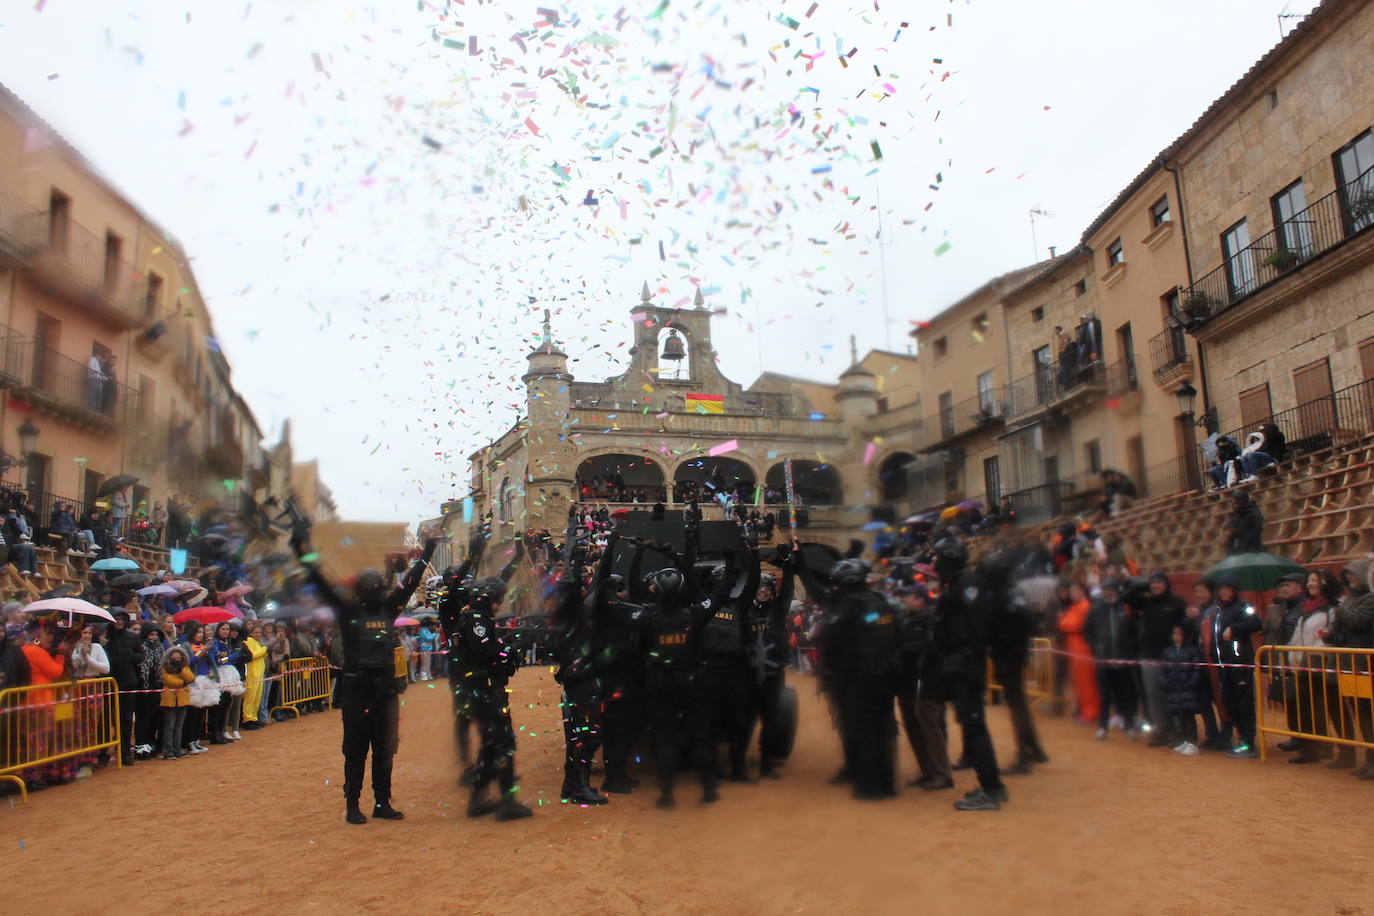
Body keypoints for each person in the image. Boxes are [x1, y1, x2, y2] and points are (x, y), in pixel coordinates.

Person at [293, 524, 436, 825]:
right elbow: (319, 580)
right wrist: (300, 546)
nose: (374, 588)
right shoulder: (348, 612)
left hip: (384, 690)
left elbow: (411, 582)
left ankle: (382, 801)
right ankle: (352, 804)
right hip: (357, 689)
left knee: (385, 749)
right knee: (355, 751)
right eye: (369, 584)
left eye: (376, 584)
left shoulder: (388, 609)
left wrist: (429, 551)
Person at [931, 537, 1006, 811]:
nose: (934, 564)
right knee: (972, 725)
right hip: (961, 663)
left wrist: (969, 662)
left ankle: (991, 789)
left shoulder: (967, 584)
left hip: (967, 664)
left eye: (938, 558)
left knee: (975, 727)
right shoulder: (956, 585)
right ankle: (992, 785)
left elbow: (975, 627)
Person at [452, 574, 532, 821]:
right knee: (504, 744)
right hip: (484, 691)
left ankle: (477, 800)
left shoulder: (475, 618)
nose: (499, 605)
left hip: (480, 691)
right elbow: (485, 652)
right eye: (498, 600)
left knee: (489, 747)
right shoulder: (476, 620)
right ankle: (508, 803)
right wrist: (510, 649)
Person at [893, 582, 952, 790]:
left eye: (907, 596)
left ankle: (941, 774)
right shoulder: (905, 617)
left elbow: (921, 649)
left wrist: (901, 652)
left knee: (930, 729)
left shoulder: (930, 618)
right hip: (907, 682)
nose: (903, 599)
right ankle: (927, 771)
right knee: (914, 728)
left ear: (919, 599)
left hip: (926, 682)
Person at [745, 544, 796, 780]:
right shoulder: (745, 611)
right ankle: (738, 763)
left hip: (772, 673)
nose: (763, 591)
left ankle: (766, 763)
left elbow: (787, 591)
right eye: (759, 587)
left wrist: (787, 562)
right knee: (742, 718)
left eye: (767, 588)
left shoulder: (776, 612)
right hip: (746, 672)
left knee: (771, 720)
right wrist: (754, 554)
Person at [1327, 559, 1374, 779]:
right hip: (1351, 663)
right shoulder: (1349, 600)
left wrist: (1339, 611)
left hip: (1365, 664)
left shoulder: (1370, 599)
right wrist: (1330, 634)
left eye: (1354, 574)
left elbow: (1358, 623)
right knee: (1361, 713)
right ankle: (1369, 759)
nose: (1351, 578)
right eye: (1348, 575)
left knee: (1369, 714)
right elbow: (1342, 630)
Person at [1207, 575, 1262, 757]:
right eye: (1221, 588)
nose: (1223, 591)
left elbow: (1256, 623)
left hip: (1240, 663)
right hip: (1223, 665)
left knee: (1244, 704)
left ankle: (1249, 743)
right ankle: (1242, 739)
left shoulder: (1243, 606)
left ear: (1235, 590)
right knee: (1230, 703)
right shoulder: (1216, 610)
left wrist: (1235, 628)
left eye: (1227, 588)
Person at [1287, 570, 1336, 765]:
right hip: (1304, 664)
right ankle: (1310, 748)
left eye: (1315, 580)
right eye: (1309, 580)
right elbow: (1298, 637)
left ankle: (1326, 746)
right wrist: (1292, 657)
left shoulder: (1330, 608)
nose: (1311, 584)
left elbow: (1332, 635)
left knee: (1323, 707)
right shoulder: (1306, 609)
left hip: (1321, 663)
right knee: (1307, 706)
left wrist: (1318, 648)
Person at [1134, 572, 1187, 746]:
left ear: (1166, 584)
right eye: (1153, 583)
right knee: (1153, 695)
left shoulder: (1177, 602)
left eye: (1159, 582)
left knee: (1173, 694)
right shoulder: (1146, 601)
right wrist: (1143, 584)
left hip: (1172, 655)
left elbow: (1184, 626)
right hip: (1150, 654)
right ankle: (1160, 729)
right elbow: (1127, 597)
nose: (1156, 586)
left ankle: (1178, 730)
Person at [1084, 580, 1138, 739]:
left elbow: (1134, 631)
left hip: (1123, 659)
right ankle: (1102, 727)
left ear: (1117, 590)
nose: (1109, 592)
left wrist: (1129, 649)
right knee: (1104, 695)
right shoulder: (1096, 608)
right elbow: (1087, 631)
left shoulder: (1126, 607)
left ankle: (1128, 725)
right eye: (1106, 589)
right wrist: (1096, 648)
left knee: (1126, 694)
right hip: (1103, 660)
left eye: (1112, 589)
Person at [1264, 572, 1308, 753]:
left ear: (1299, 586)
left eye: (1288, 585)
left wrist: (1274, 612)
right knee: (1289, 699)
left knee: (1303, 702)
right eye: (1282, 585)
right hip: (1283, 659)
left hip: (1299, 659)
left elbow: (1282, 629)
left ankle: (1309, 740)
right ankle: (1296, 735)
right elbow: (1269, 629)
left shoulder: (1303, 606)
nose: (1283, 588)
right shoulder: (1285, 606)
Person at [103, 610, 142, 766]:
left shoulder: (132, 637)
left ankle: (125, 752)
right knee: (106, 719)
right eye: (116, 619)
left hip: (128, 682)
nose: (119, 622)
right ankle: (102, 752)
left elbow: (141, 655)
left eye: (122, 619)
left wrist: (131, 656)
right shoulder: (105, 638)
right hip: (109, 683)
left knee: (126, 719)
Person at [1057, 583, 1099, 726]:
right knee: (1080, 682)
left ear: (1082, 591)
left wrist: (1064, 623)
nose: (1073, 594)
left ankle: (1091, 713)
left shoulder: (1085, 606)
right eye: (1072, 591)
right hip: (1075, 648)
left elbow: (1073, 624)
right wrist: (1065, 623)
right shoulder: (1075, 607)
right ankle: (1085, 710)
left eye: (1076, 591)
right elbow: (1063, 624)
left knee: (1087, 682)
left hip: (1083, 648)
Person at [1159, 623, 1203, 755]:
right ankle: (1183, 741)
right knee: (1178, 716)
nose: (1176, 637)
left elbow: (1197, 668)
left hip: (1187, 690)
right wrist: (1165, 682)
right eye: (1174, 634)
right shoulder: (1167, 651)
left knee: (1189, 716)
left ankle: (1192, 742)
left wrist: (1191, 683)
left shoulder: (1192, 650)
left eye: (1179, 634)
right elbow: (1162, 670)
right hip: (1173, 690)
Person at [133, 625, 166, 759]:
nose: (154, 637)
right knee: (142, 719)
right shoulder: (140, 648)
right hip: (143, 688)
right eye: (151, 635)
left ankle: (151, 746)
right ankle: (141, 748)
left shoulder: (161, 650)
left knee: (155, 718)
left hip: (157, 687)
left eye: (156, 635)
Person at [159, 646, 195, 759]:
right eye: (174, 658)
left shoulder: (185, 668)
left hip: (182, 701)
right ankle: (167, 751)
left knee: (179, 727)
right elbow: (169, 681)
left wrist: (181, 670)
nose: (176, 660)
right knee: (169, 727)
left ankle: (177, 749)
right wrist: (183, 682)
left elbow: (191, 678)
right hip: (169, 701)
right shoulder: (164, 668)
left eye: (178, 658)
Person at [240, 621, 268, 730]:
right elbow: (252, 655)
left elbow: (261, 656)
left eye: (260, 632)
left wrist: (264, 652)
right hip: (251, 674)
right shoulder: (247, 641)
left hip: (259, 674)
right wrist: (264, 649)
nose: (258, 634)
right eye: (256, 632)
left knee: (257, 698)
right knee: (250, 698)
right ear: (251, 633)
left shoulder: (258, 642)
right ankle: (247, 719)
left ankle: (254, 718)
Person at [1224, 490, 1264, 554]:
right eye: (1234, 503)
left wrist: (1237, 531)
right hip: (1238, 548)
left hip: (1251, 549)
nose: (1235, 506)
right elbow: (1234, 525)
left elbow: (1256, 530)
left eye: (1236, 503)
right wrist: (1231, 530)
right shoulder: (1238, 513)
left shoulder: (1253, 513)